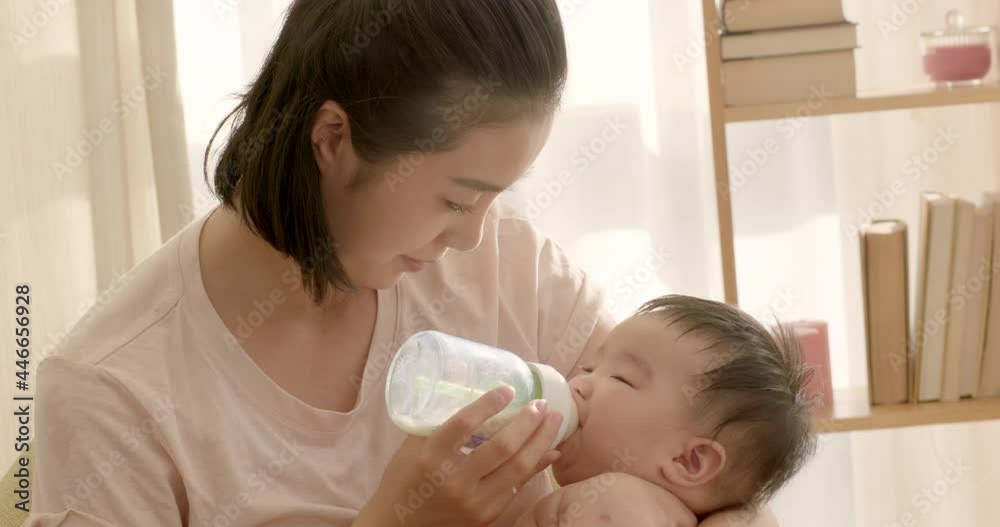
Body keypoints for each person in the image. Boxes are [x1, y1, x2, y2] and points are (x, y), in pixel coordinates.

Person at [29, 1, 779, 525]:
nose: (471, 236)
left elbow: (706, 441)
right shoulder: (112, 392)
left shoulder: (503, 262)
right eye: (457, 199)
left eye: (493, 199)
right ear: (332, 138)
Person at [515, 295, 817, 526]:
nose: (577, 383)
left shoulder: (614, 503)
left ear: (689, 460)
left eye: (621, 377)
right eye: (589, 368)